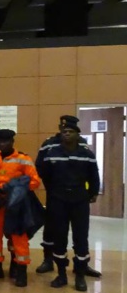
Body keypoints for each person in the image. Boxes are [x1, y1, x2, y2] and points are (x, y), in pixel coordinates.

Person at [35, 115, 101, 278]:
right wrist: (52, 188)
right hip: (55, 194)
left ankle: (82, 266)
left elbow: (91, 172)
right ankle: (49, 260)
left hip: (78, 196)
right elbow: (41, 168)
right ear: (60, 127)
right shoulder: (49, 144)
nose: (66, 132)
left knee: (80, 233)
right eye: (64, 128)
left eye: (71, 128)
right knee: (53, 229)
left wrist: (91, 192)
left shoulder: (83, 147)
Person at [0, 129, 41, 287]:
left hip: (17, 204)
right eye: (0, 141)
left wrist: (16, 188)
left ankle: (20, 269)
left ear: (12, 142)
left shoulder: (23, 159)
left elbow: (34, 182)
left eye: (6, 142)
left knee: (18, 237)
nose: (3, 144)